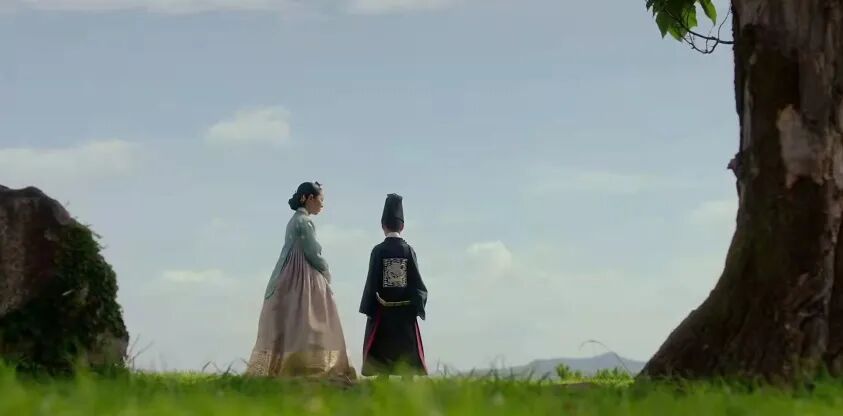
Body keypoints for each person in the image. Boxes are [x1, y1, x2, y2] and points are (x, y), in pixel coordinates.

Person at [245, 181, 356, 381]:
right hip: (302, 275)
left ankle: (286, 365)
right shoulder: (304, 222)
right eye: (321, 199)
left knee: (290, 321)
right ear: (309, 198)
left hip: (286, 274)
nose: (322, 204)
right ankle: (309, 367)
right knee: (309, 318)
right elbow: (312, 251)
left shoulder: (293, 220)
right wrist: (325, 270)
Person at [359, 193, 428, 377]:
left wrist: (369, 306)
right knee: (406, 351)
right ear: (402, 226)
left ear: (383, 225)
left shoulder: (378, 251)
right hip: (405, 314)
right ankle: (408, 380)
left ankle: (383, 381)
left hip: (383, 312)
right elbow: (416, 281)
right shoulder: (408, 250)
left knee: (383, 352)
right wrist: (417, 303)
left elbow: (372, 281)